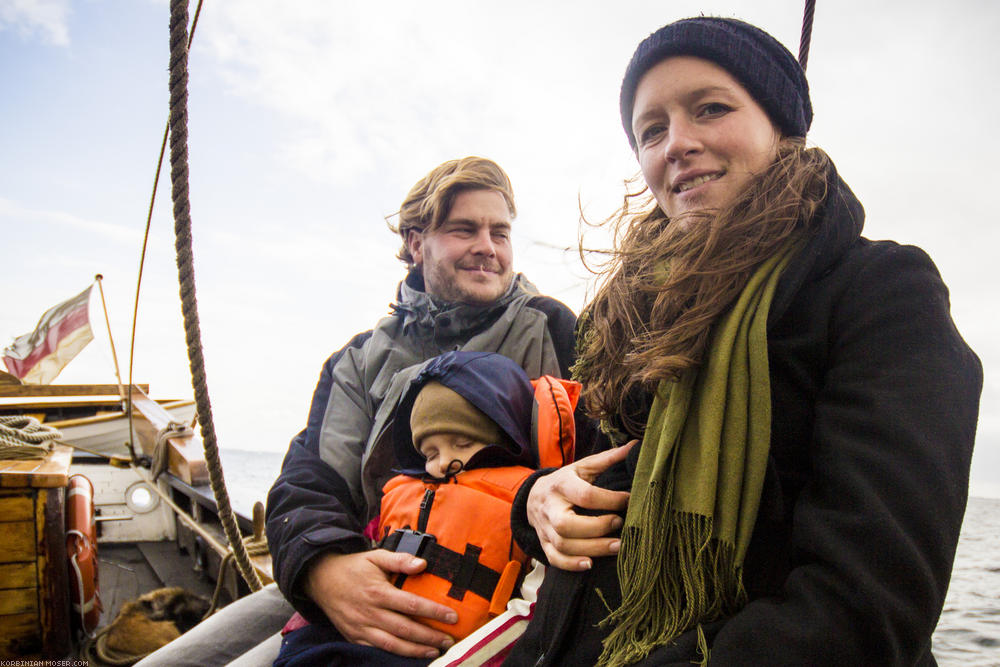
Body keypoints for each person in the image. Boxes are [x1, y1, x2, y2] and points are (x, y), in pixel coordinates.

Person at [504, 17, 982, 666]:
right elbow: (593, 483)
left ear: (781, 127)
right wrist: (534, 501)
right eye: (652, 130)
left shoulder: (882, 293)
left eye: (710, 109)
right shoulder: (622, 317)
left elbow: (865, 606)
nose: (677, 143)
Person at [137, 156, 595, 666]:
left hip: (483, 602)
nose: (487, 247)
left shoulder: (555, 331)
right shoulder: (356, 361)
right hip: (357, 567)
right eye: (464, 229)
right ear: (418, 244)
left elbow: (604, 456)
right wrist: (325, 569)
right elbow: (309, 482)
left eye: (500, 232)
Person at [273, 350, 578, 666]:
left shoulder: (531, 501)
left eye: (461, 444)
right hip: (360, 637)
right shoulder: (402, 491)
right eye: (430, 454)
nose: (443, 462)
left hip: (449, 652)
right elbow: (370, 540)